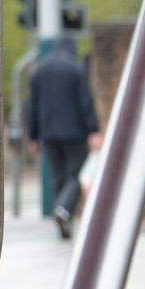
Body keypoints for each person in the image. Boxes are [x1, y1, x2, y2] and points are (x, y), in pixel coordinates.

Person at [25, 36, 102, 239]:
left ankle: (63, 219)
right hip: (74, 133)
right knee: (75, 175)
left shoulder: (38, 72)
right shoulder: (76, 69)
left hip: (49, 133)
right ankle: (63, 208)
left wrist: (33, 136)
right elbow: (86, 100)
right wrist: (93, 129)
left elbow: (32, 106)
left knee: (59, 177)